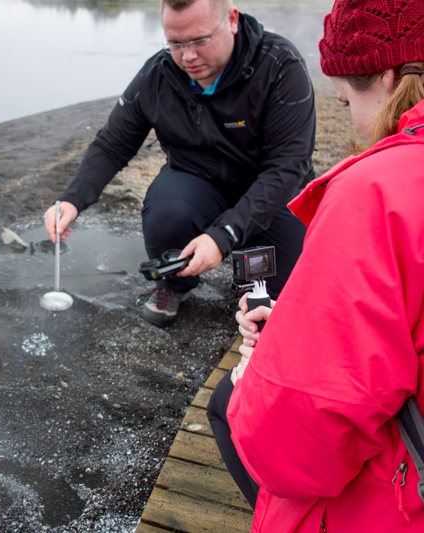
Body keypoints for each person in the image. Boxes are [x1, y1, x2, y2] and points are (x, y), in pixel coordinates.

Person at [206, 0, 424, 529]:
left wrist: (260, 370)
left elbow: (294, 442)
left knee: (229, 404)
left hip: (398, 499)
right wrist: (300, 323)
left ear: (391, 76)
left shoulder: (377, 193)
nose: (349, 114)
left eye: (345, 96)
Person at [44, 0, 315, 327]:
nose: (187, 56)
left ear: (231, 20)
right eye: (175, 43)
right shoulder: (158, 74)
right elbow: (113, 143)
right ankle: (175, 284)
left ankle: (253, 278)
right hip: (198, 182)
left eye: (200, 40)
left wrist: (223, 235)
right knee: (166, 216)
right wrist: (73, 199)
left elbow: (288, 166)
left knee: (287, 297)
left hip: (270, 191)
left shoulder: (279, 65)